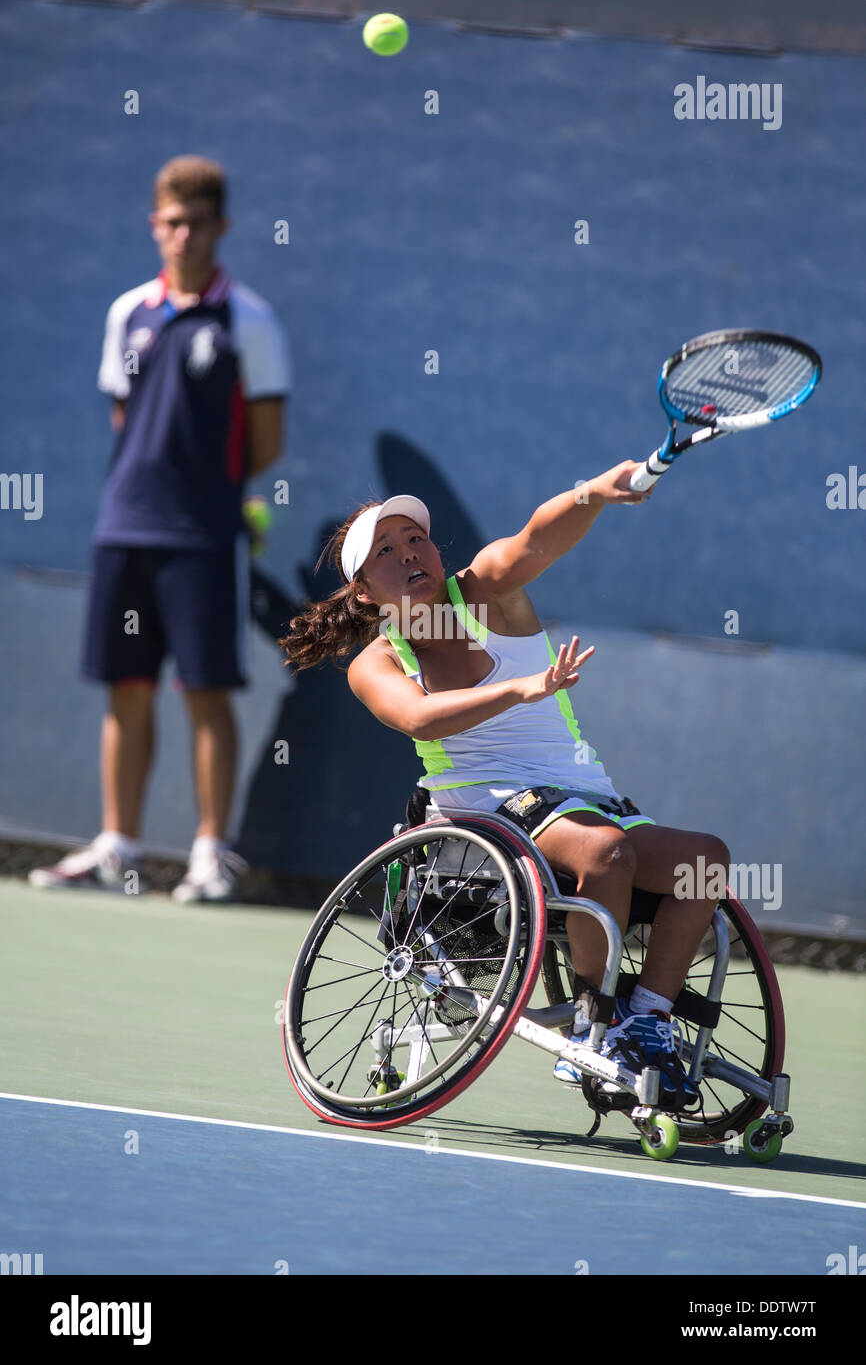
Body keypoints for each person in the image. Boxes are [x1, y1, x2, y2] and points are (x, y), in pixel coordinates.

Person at [278, 471, 731, 1103]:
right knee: (606, 854)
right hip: (487, 814)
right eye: (386, 550)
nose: (408, 552)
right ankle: (590, 1025)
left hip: (581, 796)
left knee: (705, 861)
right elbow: (418, 717)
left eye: (416, 538)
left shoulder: (487, 590)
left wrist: (597, 490)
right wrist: (523, 688)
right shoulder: (375, 664)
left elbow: (538, 539)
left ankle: (646, 1022)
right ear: (362, 590)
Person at [29, 156, 291, 902]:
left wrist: (217, 494)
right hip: (124, 530)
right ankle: (118, 848)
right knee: (127, 688)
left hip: (204, 536)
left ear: (221, 228)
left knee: (206, 691)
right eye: (170, 222)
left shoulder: (250, 320)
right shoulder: (127, 314)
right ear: (155, 226)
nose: (182, 235)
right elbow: (126, 418)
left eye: (196, 223)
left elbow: (266, 440)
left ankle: (210, 854)